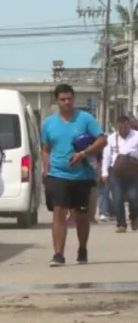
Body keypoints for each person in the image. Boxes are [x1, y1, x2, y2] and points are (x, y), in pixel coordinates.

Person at [40, 84, 107, 266]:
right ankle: (58, 254)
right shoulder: (48, 123)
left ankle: (82, 248)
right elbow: (45, 149)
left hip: (82, 176)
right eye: (62, 99)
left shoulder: (85, 119)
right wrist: (47, 171)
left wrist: (83, 154)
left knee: (81, 216)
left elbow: (102, 139)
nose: (66, 102)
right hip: (57, 174)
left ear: (73, 98)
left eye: (69, 98)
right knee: (59, 212)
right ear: (57, 101)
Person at [100, 114, 138, 233]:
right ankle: (121, 224)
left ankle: (134, 217)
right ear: (117, 126)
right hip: (115, 171)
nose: (123, 130)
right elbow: (106, 156)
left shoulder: (136, 136)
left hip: (133, 170)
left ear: (129, 126)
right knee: (117, 198)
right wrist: (104, 173)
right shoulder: (111, 138)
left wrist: (131, 155)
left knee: (134, 197)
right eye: (121, 128)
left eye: (125, 127)